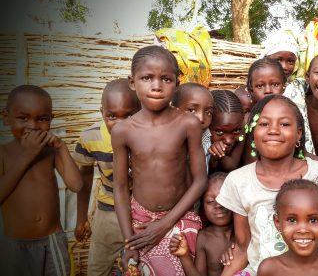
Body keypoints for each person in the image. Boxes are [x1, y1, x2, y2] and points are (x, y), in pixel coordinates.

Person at [216, 95, 318, 276]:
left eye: (285, 124)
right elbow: (242, 246)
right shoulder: (238, 181)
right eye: (264, 124)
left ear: (299, 134)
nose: (273, 130)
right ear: (252, 133)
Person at [112, 45, 207, 275]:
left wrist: (163, 226)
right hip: (140, 222)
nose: (156, 86)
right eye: (147, 78)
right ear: (133, 82)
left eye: (166, 79)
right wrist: (129, 242)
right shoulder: (123, 130)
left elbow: (200, 181)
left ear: (176, 84)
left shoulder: (188, 124)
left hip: (177, 218)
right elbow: (121, 188)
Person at [0, 85, 83, 275]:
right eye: (23, 118)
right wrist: (27, 156)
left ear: (51, 120)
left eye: (42, 119)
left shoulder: (51, 152)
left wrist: (61, 147)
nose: (33, 126)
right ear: (6, 117)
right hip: (15, 246)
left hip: (52, 240)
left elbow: (76, 185)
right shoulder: (3, 153)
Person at [73, 78, 141, 276]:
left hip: (140, 214)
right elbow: (84, 179)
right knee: (98, 268)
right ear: (101, 112)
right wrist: (81, 218)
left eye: (128, 116)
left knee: (138, 267)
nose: (120, 125)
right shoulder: (90, 139)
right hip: (107, 214)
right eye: (112, 116)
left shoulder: (149, 138)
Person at [257, 179, 318, 276]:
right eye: (292, 220)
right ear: (277, 222)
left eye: (313, 220)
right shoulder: (269, 269)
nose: (303, 230)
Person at [169, 172, 233, 276]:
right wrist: (185, 256)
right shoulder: (203, 238)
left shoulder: (244, 233)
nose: (218, 205)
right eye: (211, 201)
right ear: (202, 206)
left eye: (224, 198)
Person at [172, 82, 214, 171]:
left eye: (208, 112)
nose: (201, 119)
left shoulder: (207, 138)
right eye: (191, 110)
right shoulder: (164, 140)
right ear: (174, 111)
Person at [208, 90, 245, 173]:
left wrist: (218, 156)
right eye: (219, 132)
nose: (228, 141)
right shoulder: (199, 134)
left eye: (236, 130)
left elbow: (231, 166)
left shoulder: (242, 132)